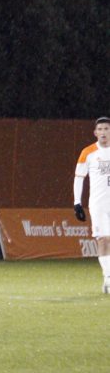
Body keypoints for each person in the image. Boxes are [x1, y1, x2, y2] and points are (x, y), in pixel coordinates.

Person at [73, 116, 110, 294]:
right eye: (100, 129)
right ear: (95, 133)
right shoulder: (87, 152)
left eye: (107, 129)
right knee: (103, 239)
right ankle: (108, 278)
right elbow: (79, 178)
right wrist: (77, 203)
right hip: (98, 204)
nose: (103, 132)